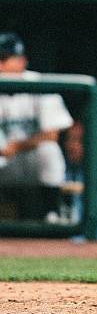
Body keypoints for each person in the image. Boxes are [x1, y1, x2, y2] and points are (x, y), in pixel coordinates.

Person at [0, 33, 72, 213]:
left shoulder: (40, 83)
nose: (0, 65)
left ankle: (52, 210)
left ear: (22, 61)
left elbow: (52, 134)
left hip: (30, 158)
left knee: (48, 151)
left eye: (5, 59)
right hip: (4, 159)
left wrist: (17, 146)